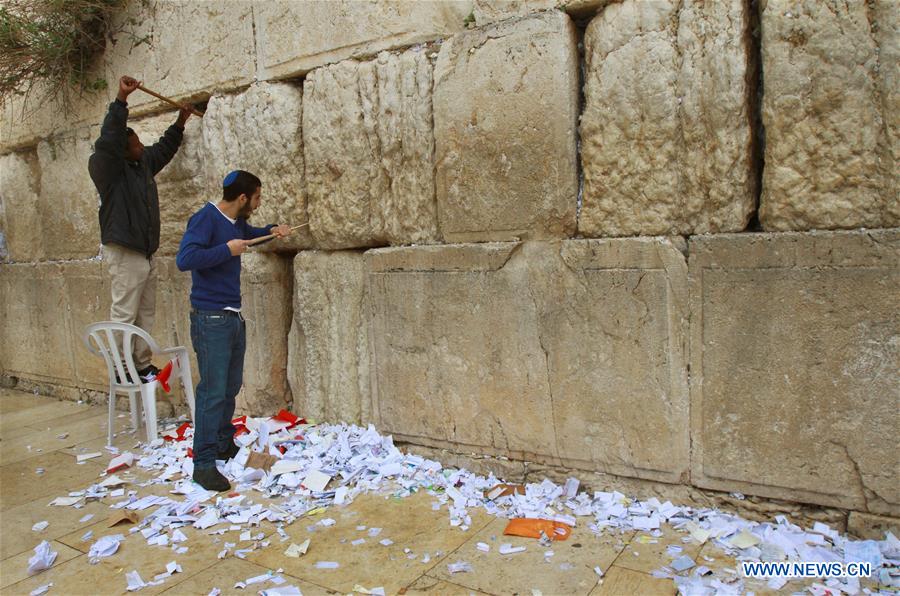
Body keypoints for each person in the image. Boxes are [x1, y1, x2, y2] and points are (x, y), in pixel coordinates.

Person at [176, 170, 291, 491]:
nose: (258, 203)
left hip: (231, 316)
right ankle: (203, 464)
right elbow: (185, 259)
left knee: (230, 386)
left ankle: (224, 442)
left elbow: (250, 233)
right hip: (210, 318)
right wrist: (226, 250)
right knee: (212, 391)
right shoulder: (204, 220)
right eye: (256, 198)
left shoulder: (237, 223)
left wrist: (272, 231)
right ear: (242, 198)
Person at [88, 75, 193, 381]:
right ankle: (121, 368)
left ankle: (142, 363)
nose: (140, 147)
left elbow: (162, 150)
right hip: (126, 251)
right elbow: (109, 138)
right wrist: (121, 99)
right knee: (124, 313)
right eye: (134, 144)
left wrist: (180, 122)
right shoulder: (107, 168)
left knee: (145, 312)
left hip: (146, 251)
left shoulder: (141, 163)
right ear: (122, 150)